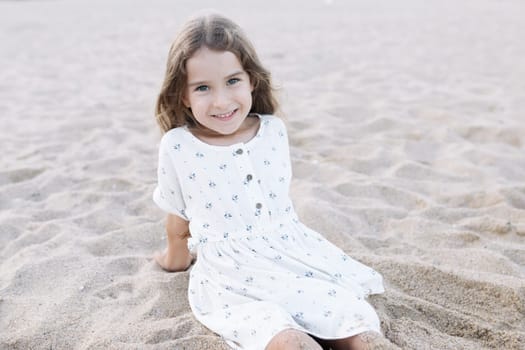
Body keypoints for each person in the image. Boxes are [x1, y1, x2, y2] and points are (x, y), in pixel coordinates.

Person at [152, 13, 385, 350]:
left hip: (293, 257)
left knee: (353, 324)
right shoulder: (178, 146)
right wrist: (175, 256)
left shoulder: (273, 130)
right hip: (232, 275)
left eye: (233, 81)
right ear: (183, 95)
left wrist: (175, 256)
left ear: (252, 81)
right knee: (283, 336)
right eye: (203, 87)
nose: (221, 101)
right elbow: (179, 215)